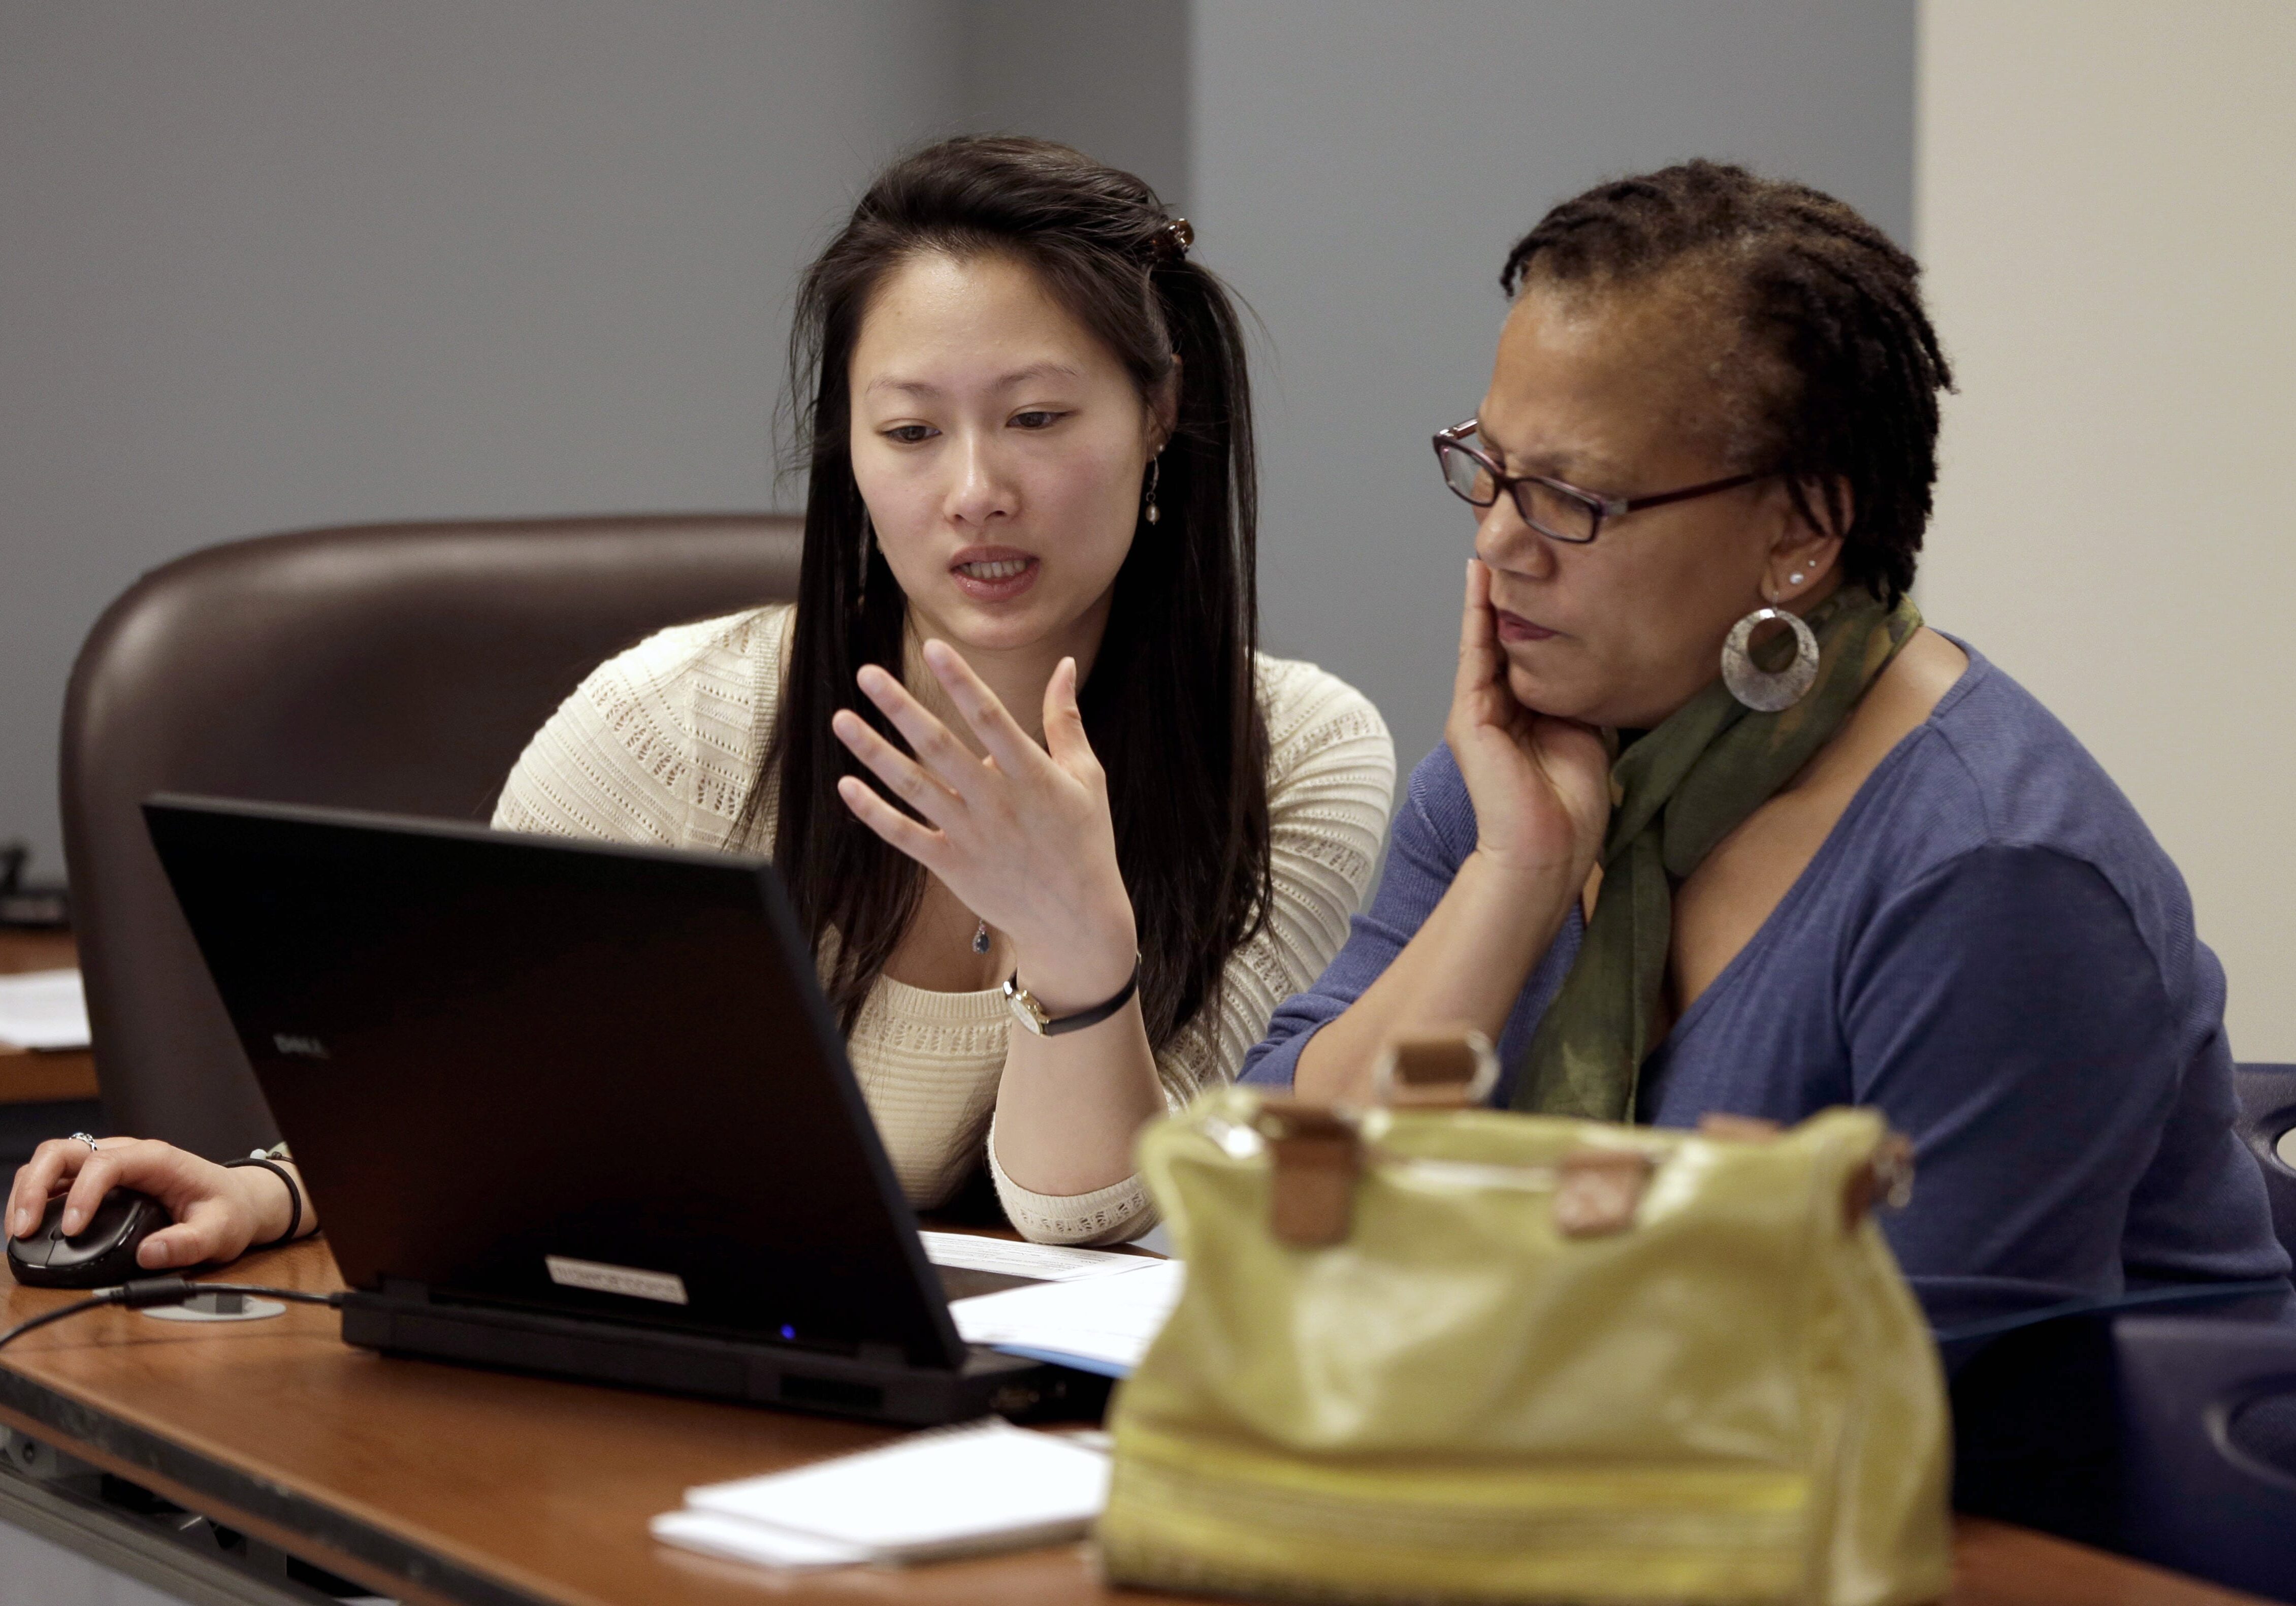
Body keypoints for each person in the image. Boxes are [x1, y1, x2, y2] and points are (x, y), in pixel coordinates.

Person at [8, 137, 1393, 1263]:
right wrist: (270, 1191)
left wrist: (1079, 947)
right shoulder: (670, 727)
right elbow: (484, 1082)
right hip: (691, 1406)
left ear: (1160, 414)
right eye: (908, 431)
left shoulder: (1299, 764)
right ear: (847, 451)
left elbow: (1099, 1225)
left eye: (1038, 418)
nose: (976, 489)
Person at [1242, 160, 2287, 1331]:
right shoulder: (1521, 772)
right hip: (1583, 1470)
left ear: (1798, 531)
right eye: (1487, 470)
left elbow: (1893, 1390)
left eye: (1570, 500)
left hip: (2003, 1504)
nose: (1495, 545)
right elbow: (1255, 1194)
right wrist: (1516, 880)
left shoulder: (1994, 871)